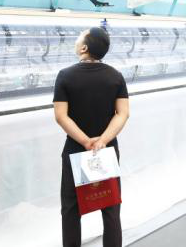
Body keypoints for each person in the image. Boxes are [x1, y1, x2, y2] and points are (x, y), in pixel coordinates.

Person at [54, 27, 130, 247]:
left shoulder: (65, 76)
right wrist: (102, 140)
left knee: (71, 208)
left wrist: (86, 141)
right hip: (106, 149)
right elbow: (123, 113)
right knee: (111, 206)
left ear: (84, 48)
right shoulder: (115, 76)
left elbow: (61, 116)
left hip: (75, 149)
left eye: (79, 37)